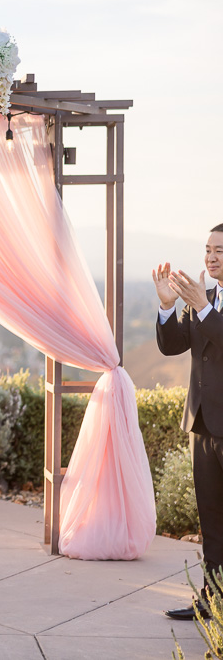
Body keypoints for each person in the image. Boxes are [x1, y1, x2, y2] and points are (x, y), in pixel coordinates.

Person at [156, 223, 223, 621]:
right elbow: (172, 345)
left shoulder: (204, 301)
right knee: (211, 522)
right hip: (202, 425)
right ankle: (211, 602)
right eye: (208, 249)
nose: (211, 256)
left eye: (220, 250)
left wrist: (204, 308)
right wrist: (167, 305)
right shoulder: (204, 296)